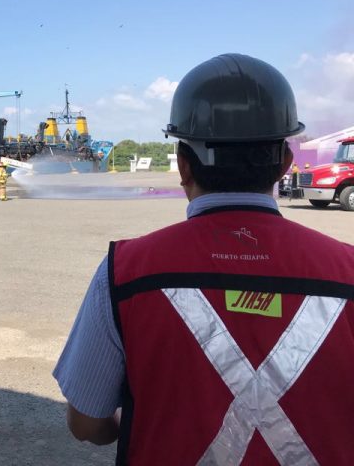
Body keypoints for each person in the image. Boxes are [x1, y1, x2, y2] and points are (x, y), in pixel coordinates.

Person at [53, 54, 354, 465]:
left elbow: (87, 425)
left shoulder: (124, 270)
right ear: (285, 164)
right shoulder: (346, 270)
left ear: (182, 163)